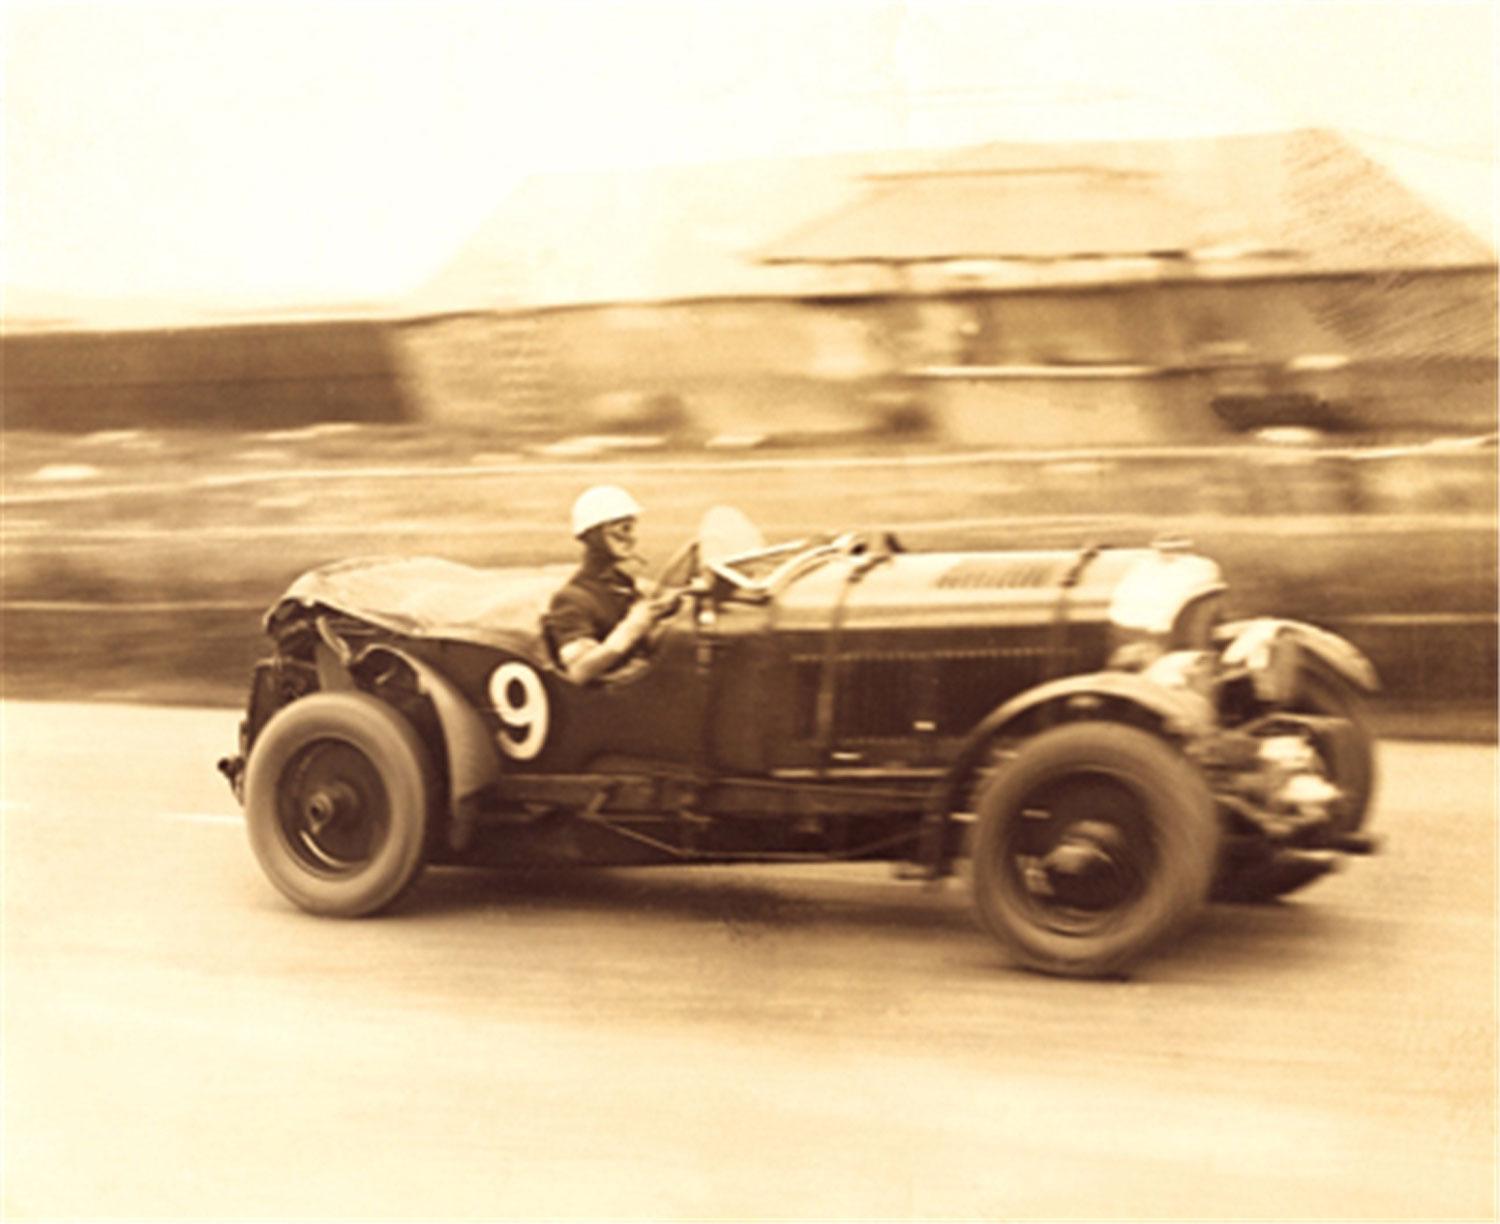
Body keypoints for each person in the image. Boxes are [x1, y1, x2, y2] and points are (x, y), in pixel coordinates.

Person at [542, 484, 679, 684]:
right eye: (623, 529)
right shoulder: (571, 599)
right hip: (616, 696)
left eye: (631, 528)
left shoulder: (622, 584)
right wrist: (634, 626)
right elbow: (580, 670)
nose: (632, 538)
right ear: (595, 534)